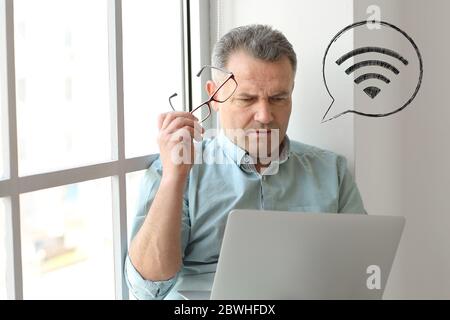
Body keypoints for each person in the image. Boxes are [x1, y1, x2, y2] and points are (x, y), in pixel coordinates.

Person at [125, 24, 366, 300]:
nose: (264, 114)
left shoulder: (331, 171)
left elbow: (360, 277)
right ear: (215, 96)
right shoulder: (177, 170)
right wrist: (173, 178)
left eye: (278, 98)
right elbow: (148, 288)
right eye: (247, 99)